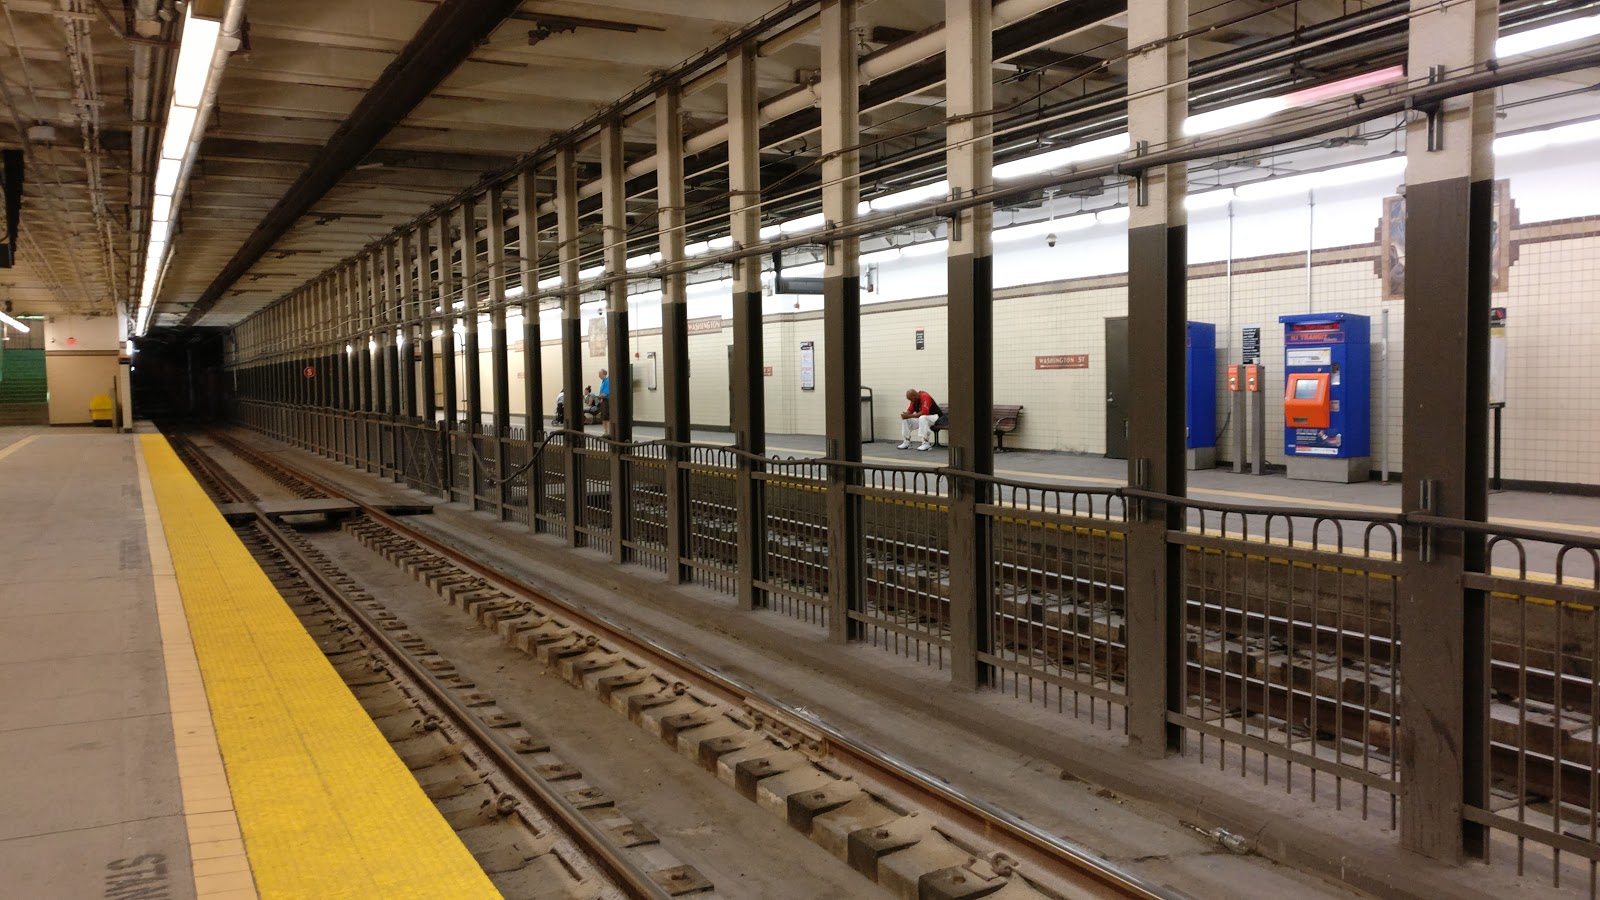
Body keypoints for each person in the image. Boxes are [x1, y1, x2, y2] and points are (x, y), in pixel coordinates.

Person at [596, 368, 612, 435]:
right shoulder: (603, 381)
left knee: (606, 417)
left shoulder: (607, 381)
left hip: (607, 401)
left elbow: (605, 393)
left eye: (600, 374)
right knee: (603, 417)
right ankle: (605, 431)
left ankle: (608, 432)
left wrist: (598, 397)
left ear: (604, 374)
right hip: (603, 401)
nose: (599, 376)